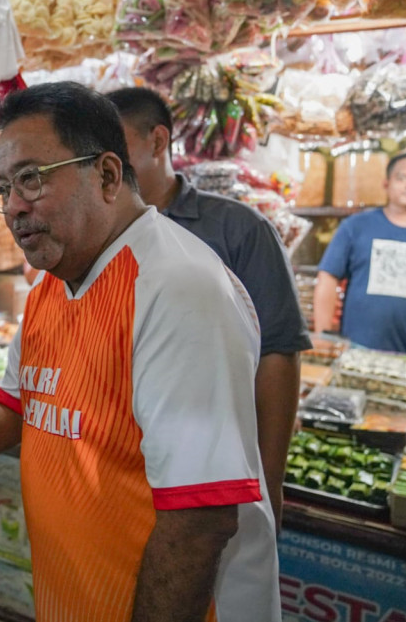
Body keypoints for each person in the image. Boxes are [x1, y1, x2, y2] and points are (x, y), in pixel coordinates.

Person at [0, 82, 279, 622]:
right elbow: (16, 405)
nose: (15, 207)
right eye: (4, 188)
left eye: (32, 179)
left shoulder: (177, 287)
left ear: (108, 175)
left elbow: (201, 519)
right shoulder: (54, 284)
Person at [107, 86, 312, 527]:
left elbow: (278, 353)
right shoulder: (98, 235)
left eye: (114, 146)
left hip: (215, 472)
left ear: (157, 141)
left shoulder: (239, 229)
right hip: (120, 468)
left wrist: (269, 479)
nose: (102, 163)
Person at [314, 151, 406, 354]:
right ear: (386, 184)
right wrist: (322, 336)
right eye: (403, 178)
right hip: (357, 350)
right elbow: (327, 279)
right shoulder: (356, 226)